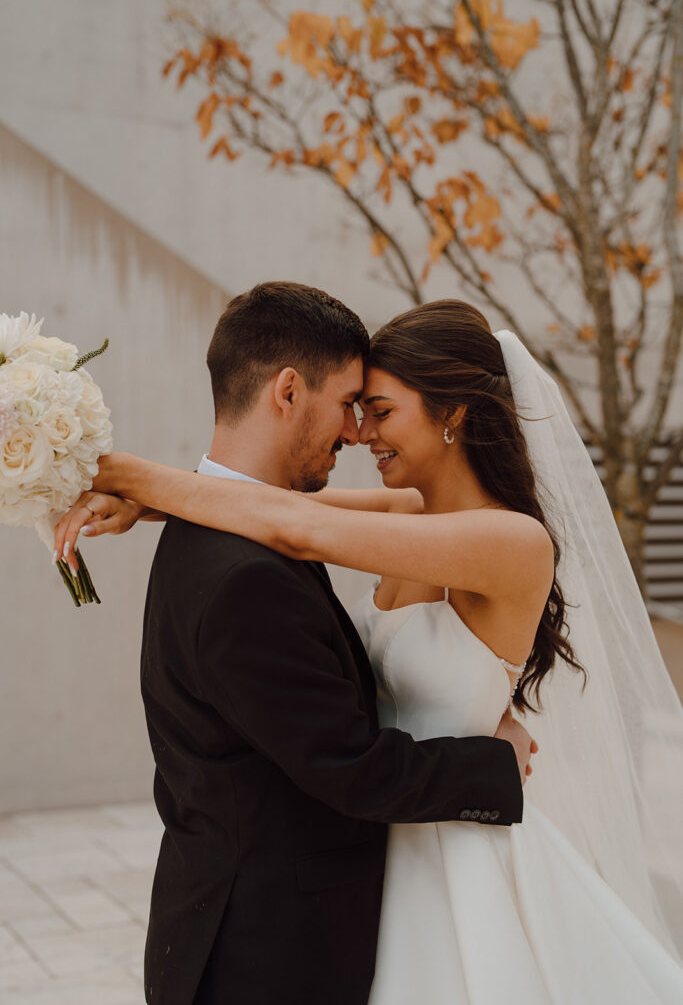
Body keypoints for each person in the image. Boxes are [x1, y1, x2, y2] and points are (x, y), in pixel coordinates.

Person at [56, 296, 683, 1003]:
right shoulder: (412, 514)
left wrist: (133, 476)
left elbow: (293, 527)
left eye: (379, 410)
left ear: (451, 413)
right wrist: (159, 505)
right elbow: (274, 511)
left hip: (456, 853)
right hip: (380, 859)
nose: (360, 433)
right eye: (358, 409)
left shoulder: (509, 541)